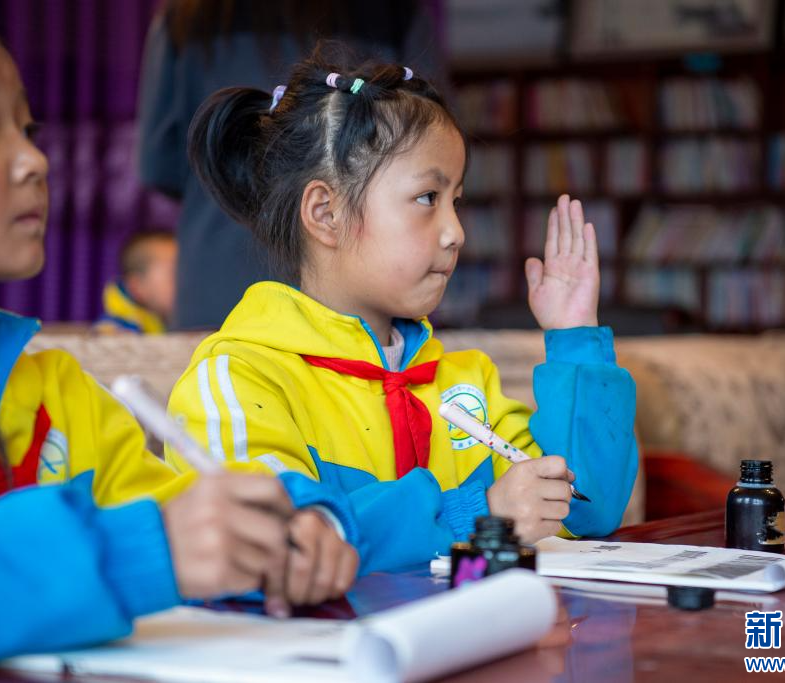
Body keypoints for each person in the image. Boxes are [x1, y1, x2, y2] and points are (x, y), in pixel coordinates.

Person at [0, 2, 357, 675]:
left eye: (29, 129)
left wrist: (276, 536)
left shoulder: (59, 392)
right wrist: (141, 551)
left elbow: (175, 517)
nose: (34, 159)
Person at [167, 44, 639, 574]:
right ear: (326, 213)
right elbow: (279, 544)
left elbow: (588, 509)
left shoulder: (463, 383)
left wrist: (575, 337)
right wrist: (478, 514)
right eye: (427, 198)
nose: (456, 232)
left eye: (455, 201)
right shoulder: (239, 379)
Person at [137, 0, 444, 328]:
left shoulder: (185, 17)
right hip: (354, 292)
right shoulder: (396, 11)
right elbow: (434, 144)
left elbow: (158, 165)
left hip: (219, 281)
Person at [95, 228, 178, 334]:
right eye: (174, 274)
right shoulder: (117, 329)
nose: (186, 285)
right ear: (137, 287)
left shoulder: (168, 322)